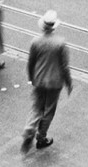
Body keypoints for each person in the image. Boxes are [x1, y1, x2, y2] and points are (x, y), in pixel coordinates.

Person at [21, 10, 73, 153]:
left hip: (39, 79)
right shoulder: (60, 43)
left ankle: (29, 129)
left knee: (36, 107)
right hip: (55, 82)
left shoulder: (35, 41)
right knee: (48, 111)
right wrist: (69, 82)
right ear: (54, 26)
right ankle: (41, 138)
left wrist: (31, 77)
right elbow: (64, 66)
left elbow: (31, 62)